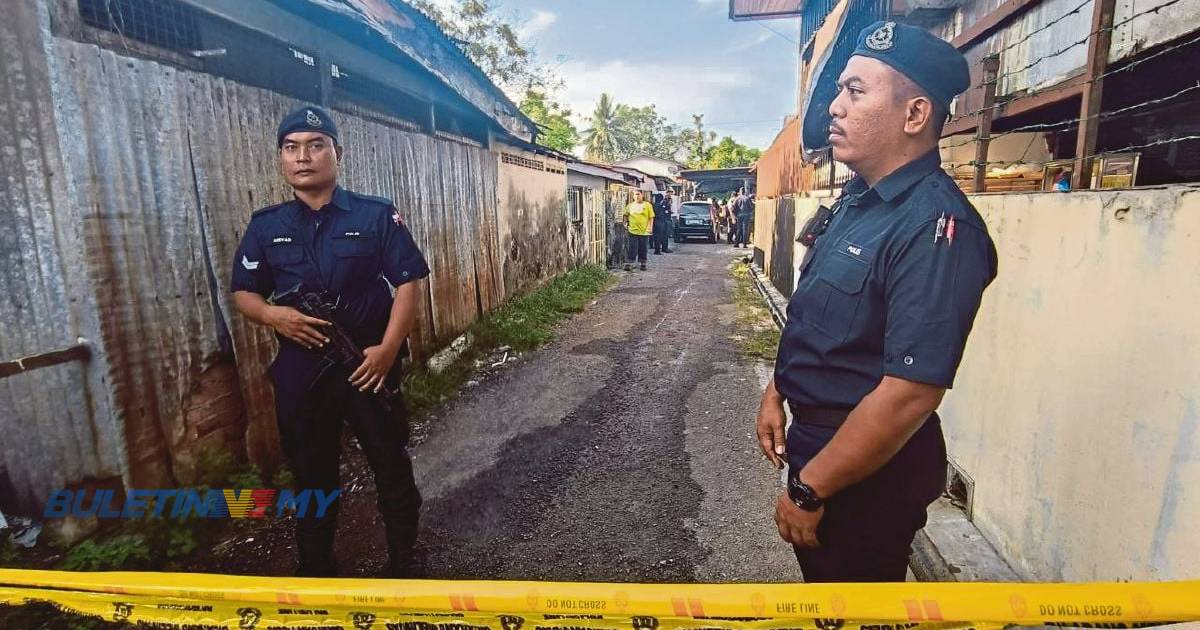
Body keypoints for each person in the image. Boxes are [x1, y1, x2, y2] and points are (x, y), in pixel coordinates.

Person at [755, 21, 998, 582]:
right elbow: (816, 317)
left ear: (914, 115)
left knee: (855, 603)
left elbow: (909, 394)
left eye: (856, 91)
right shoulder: (859, 202)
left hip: (866, 474)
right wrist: (777, 392)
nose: (835, 108)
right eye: (840, 90)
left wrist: (809, 489)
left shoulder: (937, 226)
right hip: (819, 445)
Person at [230, 105, 428, 577]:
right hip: (302, 373)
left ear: (337, 153)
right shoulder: (266, 226)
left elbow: (408, 282)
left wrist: (387, 350)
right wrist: (273, 315)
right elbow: (244, 293)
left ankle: (404, 564)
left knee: (390, 465)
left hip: (365, 364)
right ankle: (316, 570)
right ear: (281, 159)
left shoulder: (376, 215)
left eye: (316, 146)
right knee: (312, 475)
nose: (303, 157)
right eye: (291, 148)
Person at [622, 190, 655, 270]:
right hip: (632, 230)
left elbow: (651, 217)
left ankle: (643, 263)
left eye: (638, 194)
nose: (637, 196)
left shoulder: (647, 205)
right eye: (635, 195)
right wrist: (625, 223)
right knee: (632, 247)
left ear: (642, 195)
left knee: (643, 247)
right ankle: (630, 263)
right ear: (633, 196)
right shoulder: (630, 206)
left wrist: (650, 227)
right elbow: (625, 215)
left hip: (644, 231)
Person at [653, 190, 674, 254]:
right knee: (662, 237)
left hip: (657, 222)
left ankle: (660, 249)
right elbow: (664, 212)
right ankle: (659, 250)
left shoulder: (654, 205)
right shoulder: (661, 204)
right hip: (661, 222)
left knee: (659, 237)